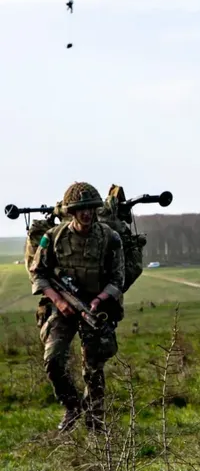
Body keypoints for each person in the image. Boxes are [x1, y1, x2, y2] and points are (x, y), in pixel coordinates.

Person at [29, 181, 125, 432]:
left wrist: (99, 300)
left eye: (90, 208)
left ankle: (95, 423)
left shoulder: (109, 238)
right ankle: (72, 405)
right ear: (71, 212)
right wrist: (59, 301)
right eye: (81, 209)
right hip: (62, 306)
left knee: (93, 367)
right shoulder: (54, 237)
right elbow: (38, 273)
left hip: (94, 308)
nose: (86, 213)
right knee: (53, 359)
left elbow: (118, 279)